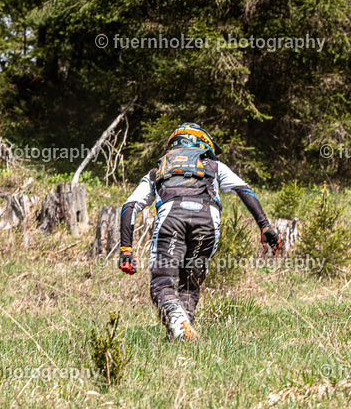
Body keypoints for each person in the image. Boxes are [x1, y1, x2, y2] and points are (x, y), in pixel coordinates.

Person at [117, 123, 280, 340]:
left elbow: (129, 206)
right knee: (190, 282)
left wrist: (126, 248)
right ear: (202, 143)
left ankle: (178, 326)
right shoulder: (214, 165)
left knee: (161, 281)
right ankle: (182, 333)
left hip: (171, 217)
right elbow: (244, 190)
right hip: (207, 220)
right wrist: (265, 226)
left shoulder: (158, 171)